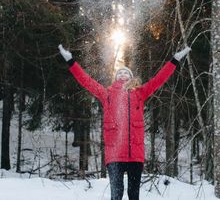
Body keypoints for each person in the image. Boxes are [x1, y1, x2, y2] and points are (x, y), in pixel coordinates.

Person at [58, 44, 191, 200]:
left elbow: (159, 79)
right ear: (116, 77)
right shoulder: (106, 94)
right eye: (119, 72)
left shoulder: (140, 93)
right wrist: (71, 62)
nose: (122, 74)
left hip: (135, 155)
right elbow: (86, 81)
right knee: (117, 194)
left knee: (134, 195)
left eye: (125, 73)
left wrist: (174, 60)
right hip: (114, 155)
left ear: (130, 77)